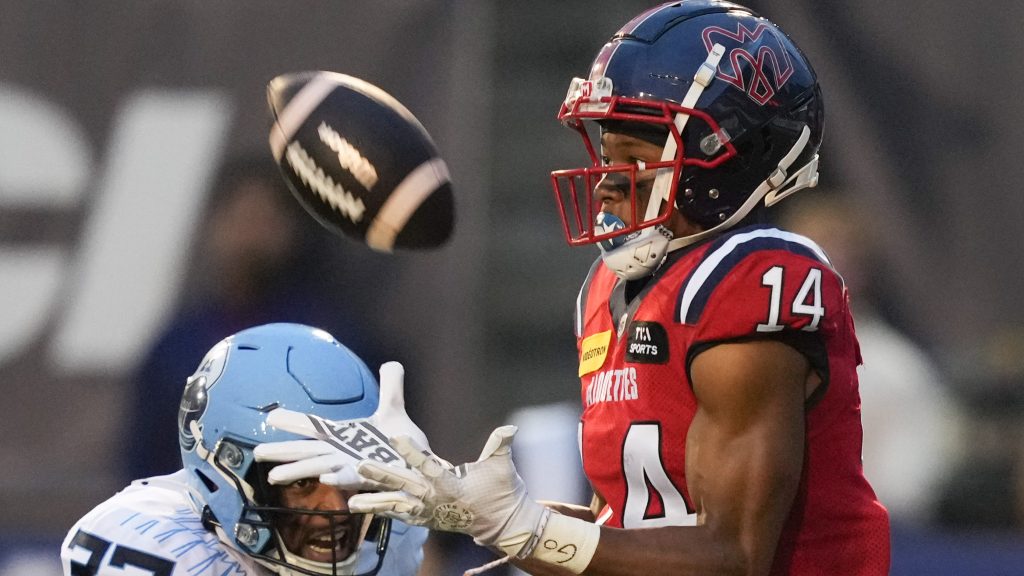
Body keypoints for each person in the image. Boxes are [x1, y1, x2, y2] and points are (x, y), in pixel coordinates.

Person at [278, 2, 889, 575]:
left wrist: (524, 528)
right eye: (604, 149)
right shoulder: (610, 287)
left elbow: (733, 555)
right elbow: (622, 533)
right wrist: (471, 509)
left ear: (728, 157)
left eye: (636, 153)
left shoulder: (755, 276)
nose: (604, 181)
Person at [61, 323, 427, 576]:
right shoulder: (152, 537)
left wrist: (473, 525)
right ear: (226, 465)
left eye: (353, 479)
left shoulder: (391, 531)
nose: (338, 508)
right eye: (303, 482)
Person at [125, 153, 386, 481]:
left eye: (264, 220)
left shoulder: (332, 343)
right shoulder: (177, 347)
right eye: (239, 218)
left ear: (290, 232)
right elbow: (143, 460)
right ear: (214, 226)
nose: (249, 236)